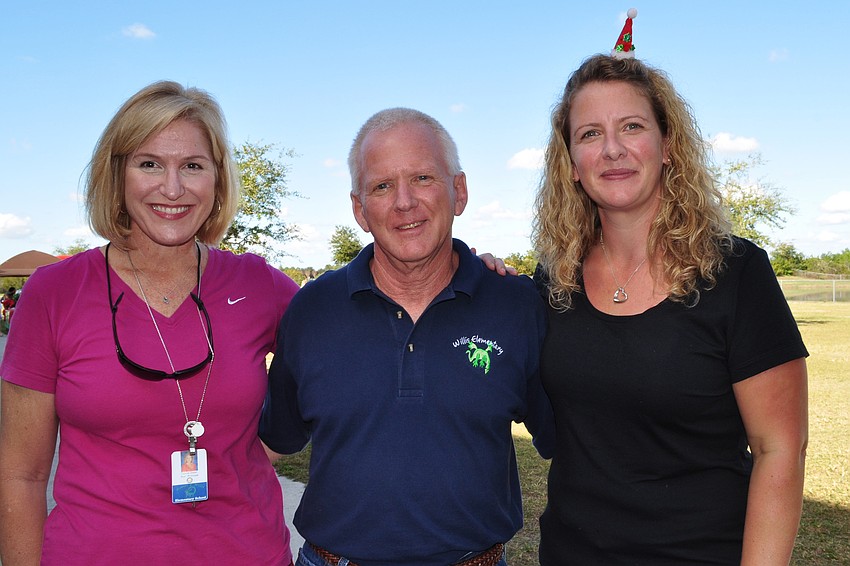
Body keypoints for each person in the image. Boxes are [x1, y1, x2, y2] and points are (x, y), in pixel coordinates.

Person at [528, 13, 808, 565]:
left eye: (631, 126)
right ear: (572, 167)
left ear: (668, 145)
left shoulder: (736, 272)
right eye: (590, 134)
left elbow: (781, 450)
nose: (612, 149)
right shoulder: (551, 281)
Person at [0, 81, 300, 565]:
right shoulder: (53, 293)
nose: (173, 187)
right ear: (116, 174)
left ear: (217, 180)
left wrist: (264, 449)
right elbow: (21, 475)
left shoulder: (260, 285)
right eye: (149, 163)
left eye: (193, 166)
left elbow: (340, 355)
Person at [260, 107, 554, 566]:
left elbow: (574, 442)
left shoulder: (517, 305)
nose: (403, 202)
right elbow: (270, 444)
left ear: (459, 191)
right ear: (360, 209)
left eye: (422, 178)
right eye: (381, 186)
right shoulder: (313, 309)